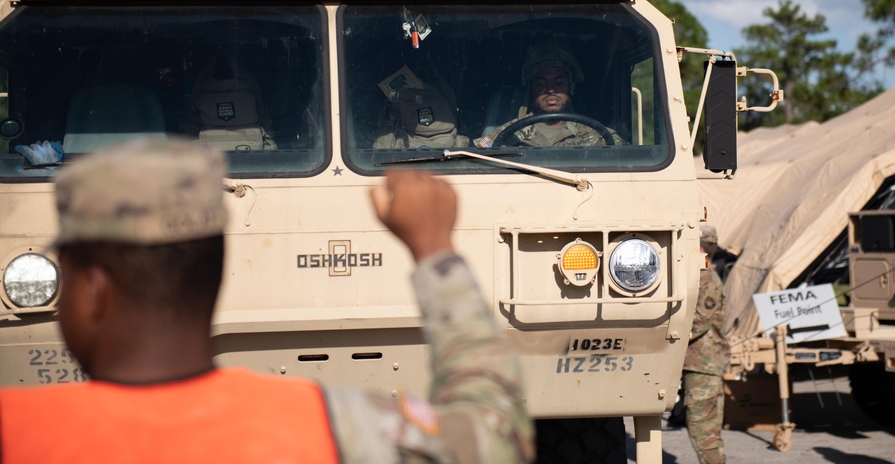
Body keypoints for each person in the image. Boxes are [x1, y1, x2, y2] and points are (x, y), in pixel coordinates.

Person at [0, 139, 534, 464]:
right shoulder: (337, 425)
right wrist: (434, 249)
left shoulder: (15, 430)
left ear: (92, 291)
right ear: (211, 273)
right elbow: (493, 436)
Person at [477, 41, 624, 148]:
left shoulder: (599, 135)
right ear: (530, 89)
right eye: (541, 84)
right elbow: (478, 162)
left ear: (571, 86)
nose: (551, 89)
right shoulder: (504, 136)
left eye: (559, 82)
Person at [678, 225, 729, 464]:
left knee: (704, 429)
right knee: (699, 425)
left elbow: (699, 321)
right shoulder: (698, 274)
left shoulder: (706, 278)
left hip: (704, 365)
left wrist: (667, 337)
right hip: (696, 362)